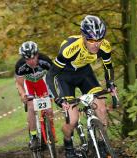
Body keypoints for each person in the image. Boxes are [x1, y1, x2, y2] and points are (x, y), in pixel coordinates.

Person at [46, 15, 117, 158]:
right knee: (72, 120)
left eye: (99, 39)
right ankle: (68, 146)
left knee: (102, 108)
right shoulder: (69, 49)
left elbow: (108, 67)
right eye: (91, 40)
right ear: (83, 36)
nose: (96, 44)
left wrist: (110, 83)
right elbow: (50, 75)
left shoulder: (105, 46)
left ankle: (102, 144)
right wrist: (58, 98)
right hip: (65, 77)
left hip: (85, 74)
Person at [15, 41, 56, 150]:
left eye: (33, 58)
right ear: (23, 58)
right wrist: (23, 94)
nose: (31, 61)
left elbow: (53, 76)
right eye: (27, 59)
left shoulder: (45, 60)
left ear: (37, 54)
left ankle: (50, 133)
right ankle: (33, 137)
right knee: (31, 108)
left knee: (49, 110)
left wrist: (53, 93)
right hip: (28, 84)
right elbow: (19, 83)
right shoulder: (20, 65)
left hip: (42, 83)